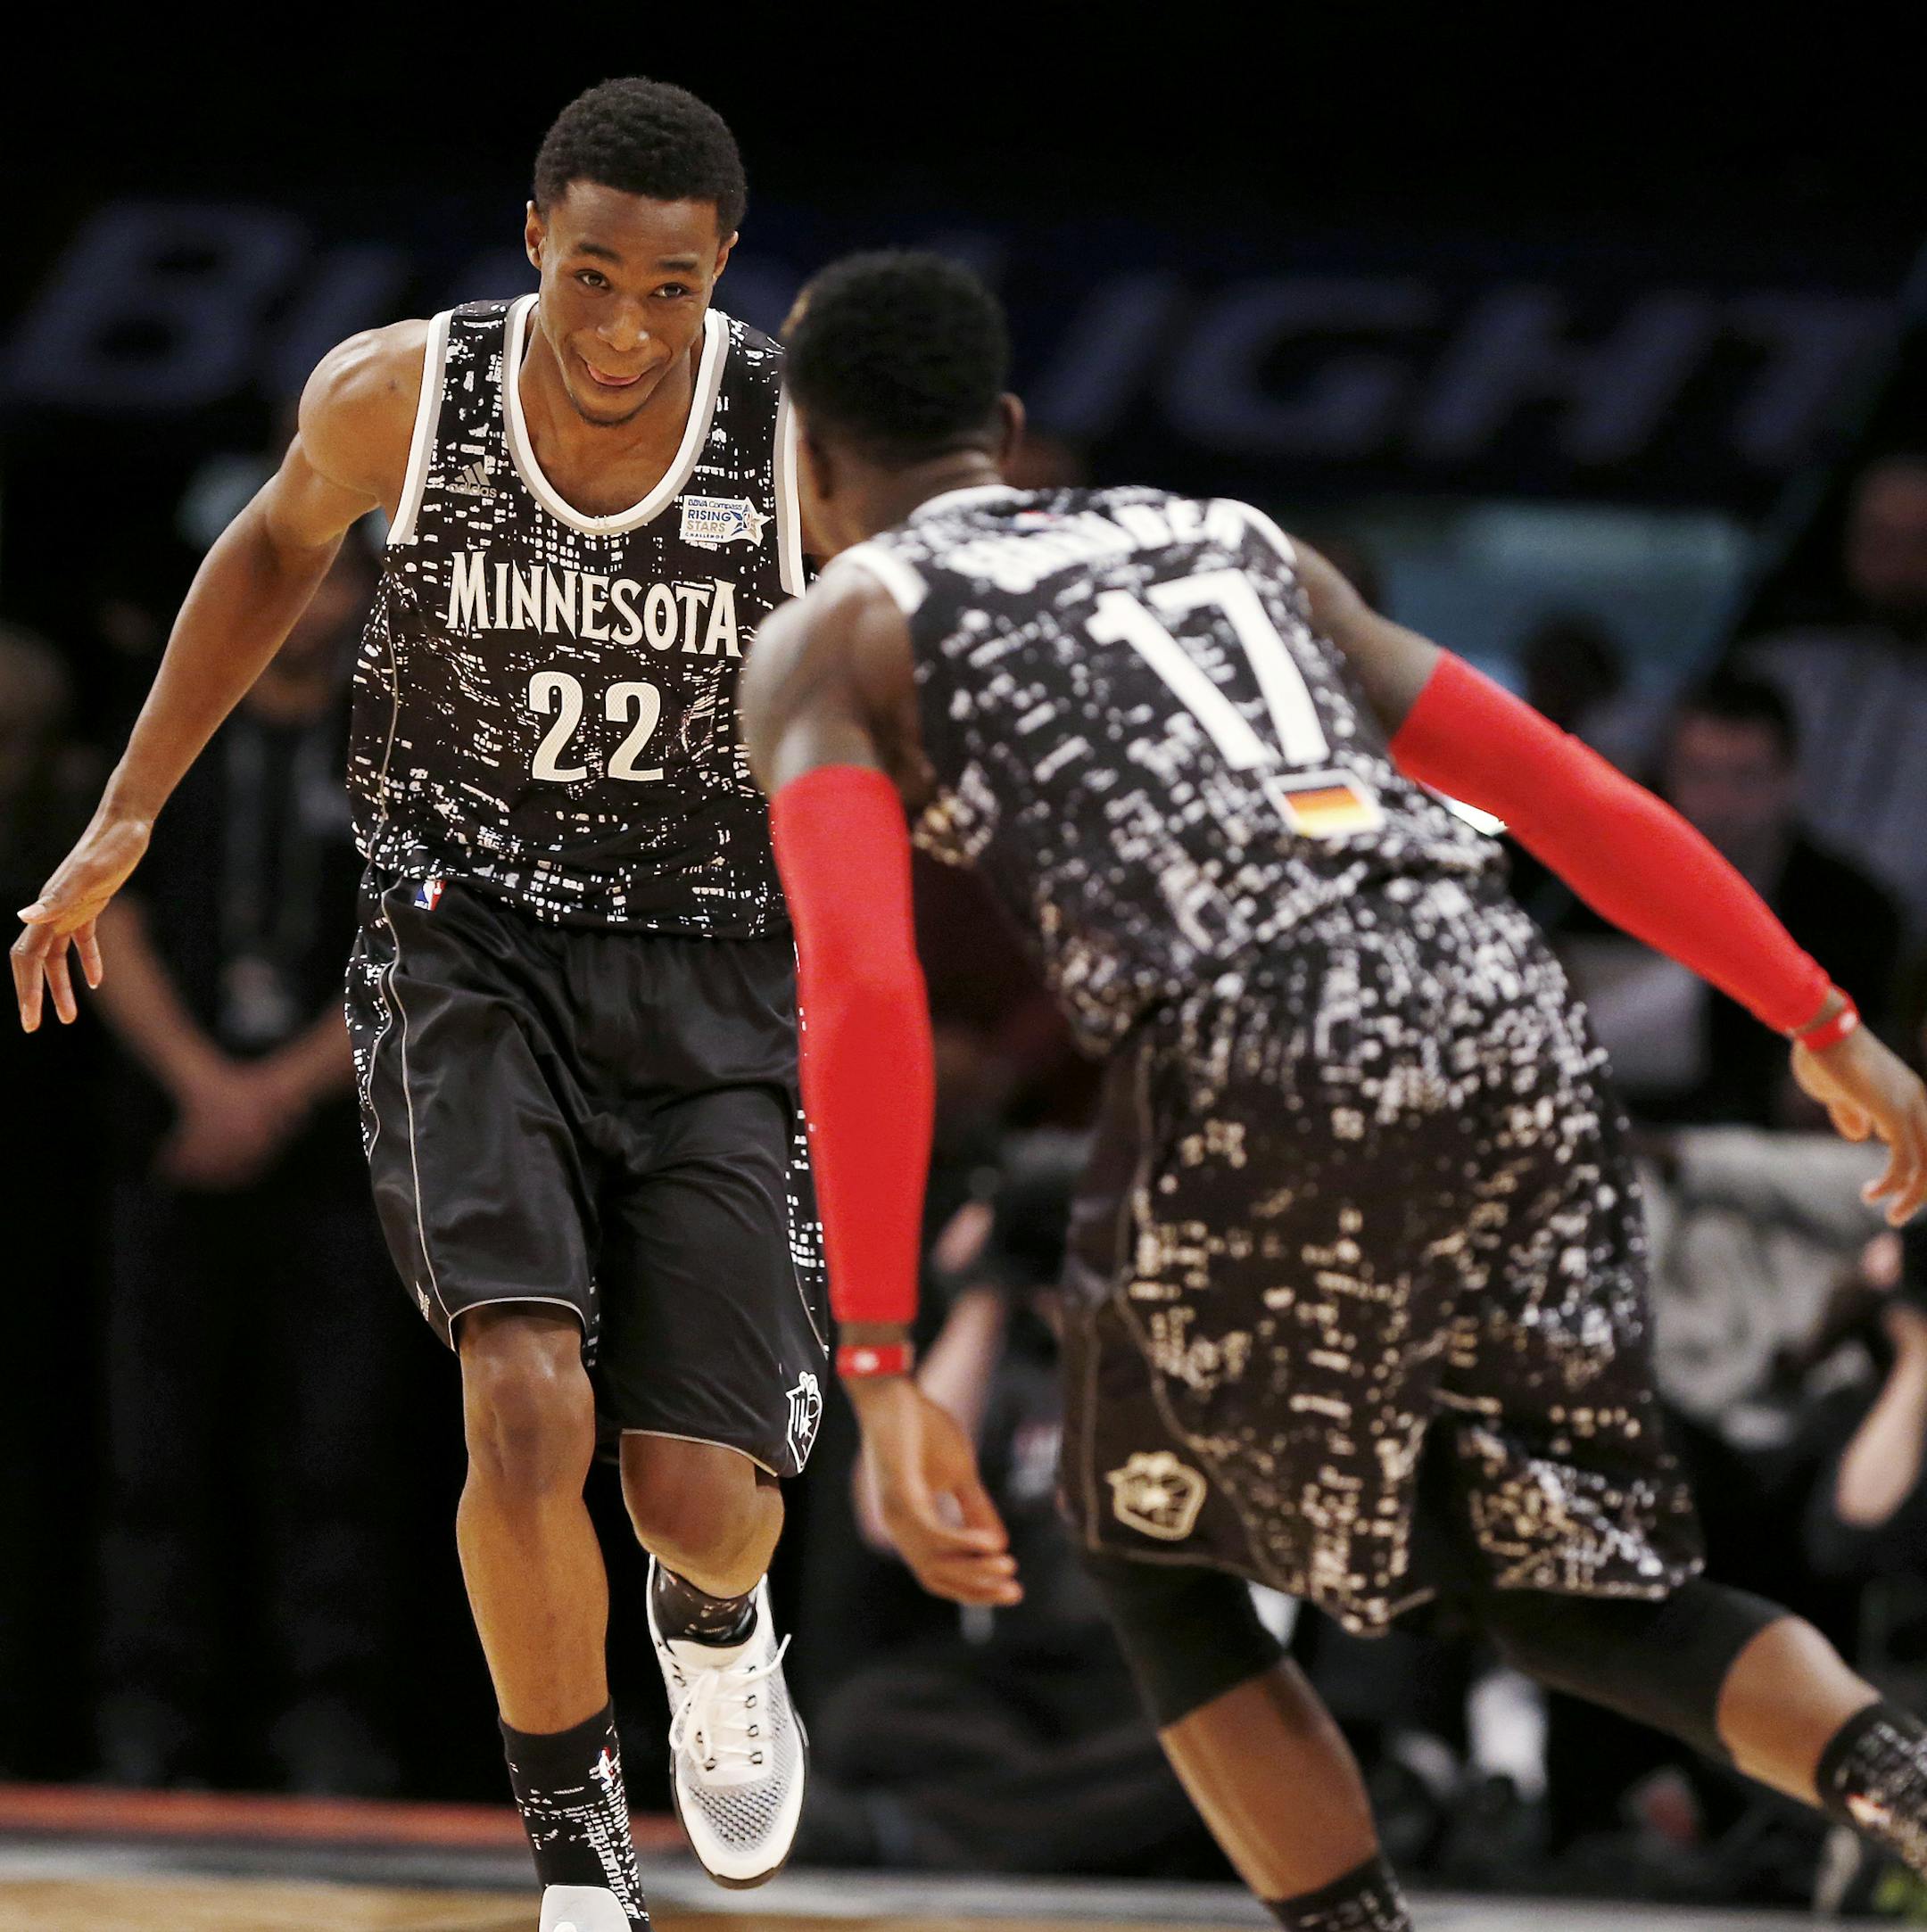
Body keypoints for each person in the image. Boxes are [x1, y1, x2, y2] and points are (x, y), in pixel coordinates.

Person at [739, 252, 1927, 1932]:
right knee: (1562, 1579)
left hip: (1261, 1034)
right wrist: (1821, 1016)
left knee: (1154, 1556)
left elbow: (860, 991)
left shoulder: (832, 634)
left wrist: (873, 1362)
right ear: (1005, 430)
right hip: (1502, 998)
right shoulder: (1241, 541)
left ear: (803, 463)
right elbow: (1562, 787)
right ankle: (1911, 1789)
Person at [12, 80, 823, 1931]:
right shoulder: (403, 391)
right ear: (536, 240)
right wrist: (126, 812)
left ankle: (716, 1623)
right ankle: (582, 1865)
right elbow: (274, 550)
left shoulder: (794, 436)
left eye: (671, 290)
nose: (625, 329)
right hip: (470, 940)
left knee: (694, 1494)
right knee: (524, 1403)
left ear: (722, 280)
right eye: (595, 274)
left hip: (711, 963)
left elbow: (902, 670)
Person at [88, 546, 404, 1793]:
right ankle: (142, 1725)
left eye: (338, 586)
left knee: (337, 1448)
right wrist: (203, 1085)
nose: (312, 610)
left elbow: (412, 930)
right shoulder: (172, 719)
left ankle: (331, 1727)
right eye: (296, 583)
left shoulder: (398, 733)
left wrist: (275, 1093)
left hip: (333, 1152)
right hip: (169, 1142)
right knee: (148, 1447)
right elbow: (104, 903)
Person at [1551, 672, 1902, 1126]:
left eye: (1747, 777)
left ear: (1789, 779)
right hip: (1634, 1132)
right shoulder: (1598, 896)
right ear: (1667, 775)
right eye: (1700, 774)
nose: (1721, 801)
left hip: (1784, 1155)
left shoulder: (1856, 913)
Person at [1739, 455, 1927, 929]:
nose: (1899, 566)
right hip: (1781, 948)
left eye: (1919, 541)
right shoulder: (1781, 673)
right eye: (1879, 540)